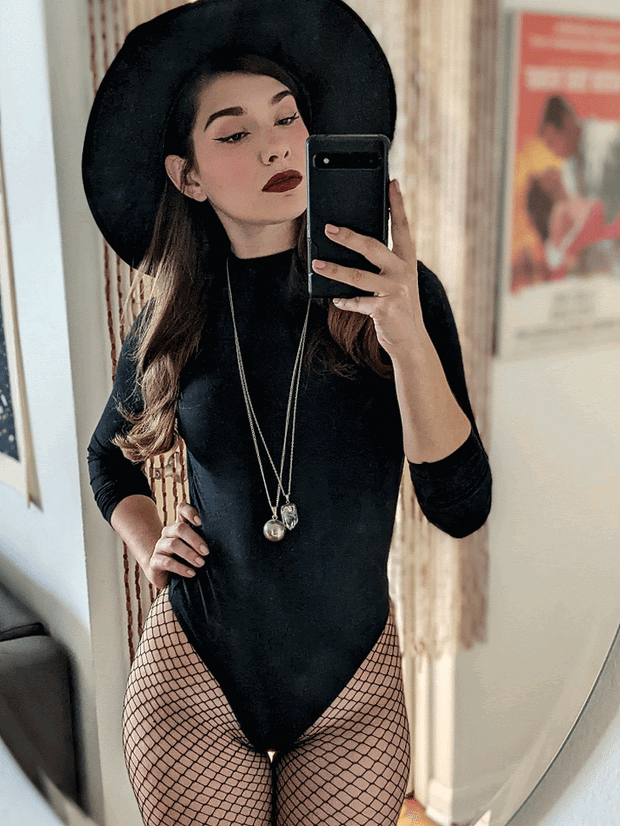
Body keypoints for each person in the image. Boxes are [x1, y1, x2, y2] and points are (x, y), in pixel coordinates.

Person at [83, 2, 492, 824]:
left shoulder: (401, 299)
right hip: (194, 685)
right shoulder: (175, 316)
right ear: (188, 176)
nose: (275, 145)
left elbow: (460, 506)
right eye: (234, 133)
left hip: (352, 695)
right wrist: (150, 544)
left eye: (287, 116)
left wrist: (406, 335)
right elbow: (107, 457)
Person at [538, 95, 620, 227]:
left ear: (567, 120)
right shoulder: (568, 169)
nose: (554, 151)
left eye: (552, 142)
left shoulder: (610, 138)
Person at [526, 166, 620, 273]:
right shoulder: (560, 210)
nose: (553, 172)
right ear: (546, 188)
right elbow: (559, 253)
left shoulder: (572, 198)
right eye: (546, 177)